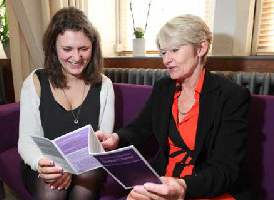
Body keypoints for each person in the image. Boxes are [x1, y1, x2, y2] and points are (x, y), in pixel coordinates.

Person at [96, 14, 255, 200]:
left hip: (207, 188)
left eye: (174, 50)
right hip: (165, 181)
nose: (166, 60)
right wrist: (115, 138)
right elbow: (139, 129)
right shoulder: (163, 88)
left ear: (201, 48)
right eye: (163, 53)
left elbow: (225, 169)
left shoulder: (231, 96)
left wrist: (182, 187)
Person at [18, 7, 115, 200]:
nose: (77, 58)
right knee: (52, 190)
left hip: (88, 163)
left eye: (84, 49)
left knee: (84, 185)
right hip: (46, 161)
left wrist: (72, 167)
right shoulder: (35, 81)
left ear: (93, 48)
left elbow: (101, 143)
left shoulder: (105, 85)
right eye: (67, 49)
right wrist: (43, 164)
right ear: (54, 47)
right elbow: (27, 140)